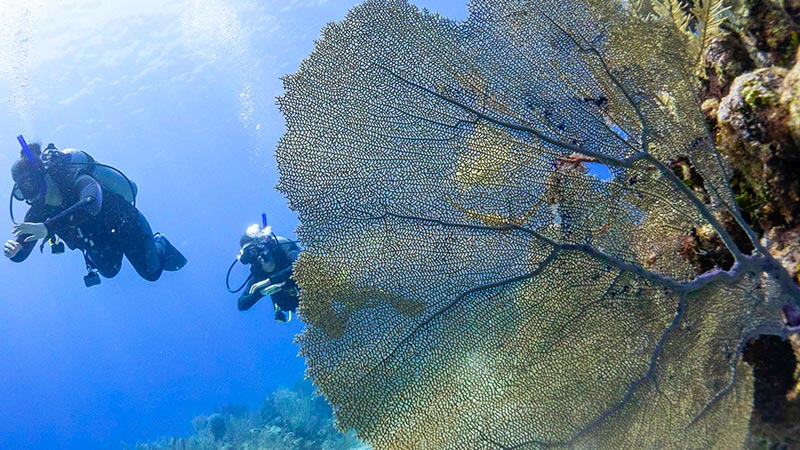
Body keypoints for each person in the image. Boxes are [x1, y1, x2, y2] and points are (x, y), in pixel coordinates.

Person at [4, 140, 187, 285]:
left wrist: (48, 227)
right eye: (23, 192)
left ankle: (160, 242)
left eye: (31, 185)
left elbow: (92, 202)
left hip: (127, 225)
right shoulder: (39, 210)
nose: (31, 196)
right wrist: (16, 251)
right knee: (110, 271)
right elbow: (23, 245)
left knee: (151, 273)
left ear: (43, 176)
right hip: (99, 245)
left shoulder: (73, 178)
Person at [236, 224, 300, 322]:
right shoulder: (258, 273)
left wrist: (270, 281)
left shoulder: (281, 250)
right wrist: (261, 292)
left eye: (253, 251)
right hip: (292, 302)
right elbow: (242, 304)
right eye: (249, 256)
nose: (257, 258)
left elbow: (302, 264)